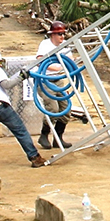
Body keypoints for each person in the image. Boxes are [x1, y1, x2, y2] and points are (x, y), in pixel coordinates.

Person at [35, 20, 74, 150]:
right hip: (45, 80)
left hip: (58, 80)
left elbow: (71, 60)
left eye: (63, 34)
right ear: (52, 35)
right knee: (52, 108)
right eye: (59, 34)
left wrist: (64, 66)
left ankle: (58, 138)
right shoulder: (45, 45)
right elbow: (40, 61)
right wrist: (56, 67)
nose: (62, 37)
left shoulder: (65, 46)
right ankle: (44, 135)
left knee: (66, 109)